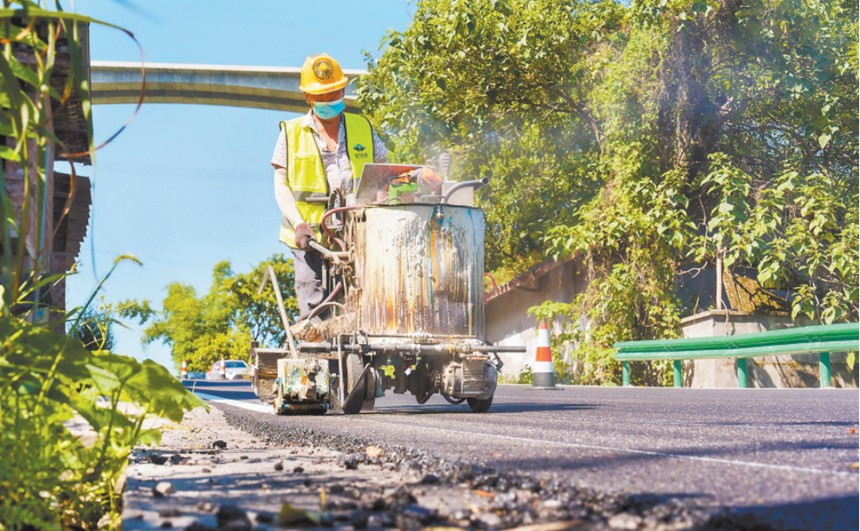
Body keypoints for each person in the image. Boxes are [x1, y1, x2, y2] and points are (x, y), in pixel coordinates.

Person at [271, 53, 387, 320]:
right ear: (307, 98)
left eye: (333, 93)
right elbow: (281, 185)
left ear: (344, 90)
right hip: (309, 239)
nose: (328, 101)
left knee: (364, 307)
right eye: (321, 96)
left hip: (357, 237)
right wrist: (299, 223)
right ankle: (319, 353)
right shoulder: (290, 133)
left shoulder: (362, 128)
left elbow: (382, 173)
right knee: (315, 310)